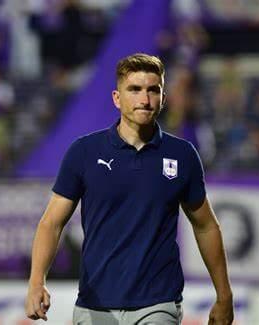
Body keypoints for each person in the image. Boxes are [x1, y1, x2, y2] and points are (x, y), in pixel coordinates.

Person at [24, 53, 234, 324]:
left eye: (153, 90)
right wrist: (36, 282)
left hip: (158, 303)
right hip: (95, 305)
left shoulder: (182, 155)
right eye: (134, 90)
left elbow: (206, 226)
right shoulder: (84, 152)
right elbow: (51, 223)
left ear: (163, 98)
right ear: (116, 98)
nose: (145, 100)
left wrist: (224, 295)